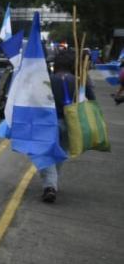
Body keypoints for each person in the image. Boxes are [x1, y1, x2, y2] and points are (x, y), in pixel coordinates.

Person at [41, 49, 95, 202]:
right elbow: (92, 100)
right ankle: (51, 183)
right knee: (60, 153)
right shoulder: (79, 81)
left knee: (48, 155)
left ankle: (50, 186)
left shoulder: (49, 80)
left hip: (51, 122)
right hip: (71, 124)